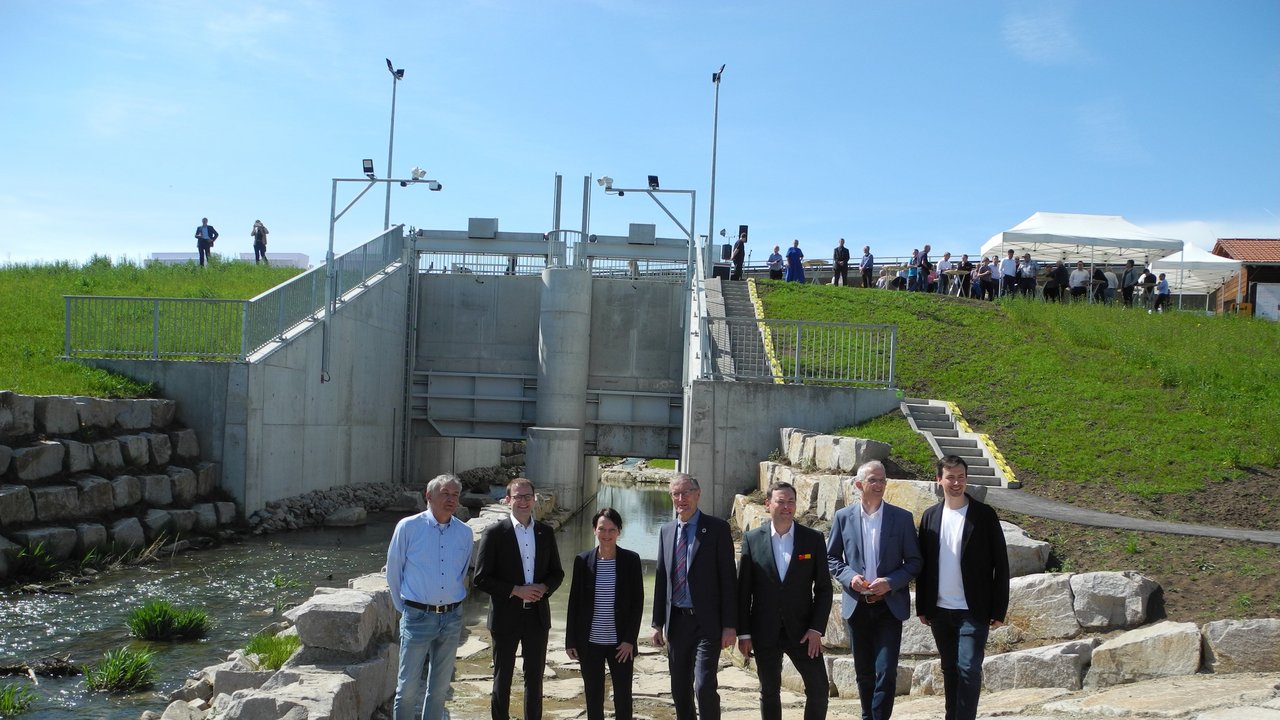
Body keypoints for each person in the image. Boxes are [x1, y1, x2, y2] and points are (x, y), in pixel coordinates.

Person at [827, 461, 923, 720]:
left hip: (888, 607)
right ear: (859, 485)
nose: (879, 485)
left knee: (886, 671)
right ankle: (867, 715)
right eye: (874, 480)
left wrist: (890, 582)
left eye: (882, 480)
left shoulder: (901, 518)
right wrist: (850, 578)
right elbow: (832, 558)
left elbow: (915, 562)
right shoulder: (843, 517)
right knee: (864, 673)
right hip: (857, 606)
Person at [916, 456, 1010, 720]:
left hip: (973, 609)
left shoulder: (984, 515)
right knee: (950, 669)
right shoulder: (930, 516)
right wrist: (923, 605)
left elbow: (1001, 564)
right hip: (940, 611)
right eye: (951, 477)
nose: (956, 482)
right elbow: (924, 565)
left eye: (961, 477)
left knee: (968, 667)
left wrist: (999, 608)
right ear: (939, 480)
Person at [737, 481, 832, 720]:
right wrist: (744, 634)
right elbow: (743, 591)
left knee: (819, 689)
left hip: (803, 632)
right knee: (769, 691)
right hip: (764, 631)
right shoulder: (751, 539)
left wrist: (816, 629)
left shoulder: (812, 539)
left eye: (791, 502)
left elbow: (823, 589)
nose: (786, 507)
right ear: (768, 504)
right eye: (781, 501)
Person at [474, 478, 565, 720]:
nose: (523, 501)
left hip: (537, 617)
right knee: (502, 679)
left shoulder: (545, 532)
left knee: (534, 681)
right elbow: (481, 578)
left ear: (534, 500)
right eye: (518, 497)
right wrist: (515, 589)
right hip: (505, 617)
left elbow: (557, 573)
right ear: (508, 500)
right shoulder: (494, 533)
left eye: (527, 496)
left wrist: (544, 587)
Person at [387, 474, 472, 720]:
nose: (451, 499)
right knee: (407, 689)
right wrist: (404, 610)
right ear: (429, 496)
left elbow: (462, 570)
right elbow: (394, 571)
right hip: (417, 616)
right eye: (445, 493)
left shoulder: (464, 532)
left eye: (455, 494)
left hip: (452, 618)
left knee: (439, 689)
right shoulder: (408, 527)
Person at [652, 474, 737, 720]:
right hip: (677, 622)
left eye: (686, 492)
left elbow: (729, 580)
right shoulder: (666, 531)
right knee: (679, 688)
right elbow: (661, 579)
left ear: (698, 494)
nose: (681, 499)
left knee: (704, 685)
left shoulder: (717, 529)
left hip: (707, 622)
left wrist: (730, 625)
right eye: (676, 494)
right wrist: (658, 623)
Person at [566, 507, 644, 720]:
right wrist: (570, 640)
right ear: (594, 530)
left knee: (623, 696)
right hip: (589, 642)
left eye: (612, 529)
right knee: (593, 695)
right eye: (602, 529)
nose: (606, 534)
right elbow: (574, 602)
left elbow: (638, 603)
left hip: (621, 644)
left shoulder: (631, 560)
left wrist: (630, 640)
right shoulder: (583, 561)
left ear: (619, 531)